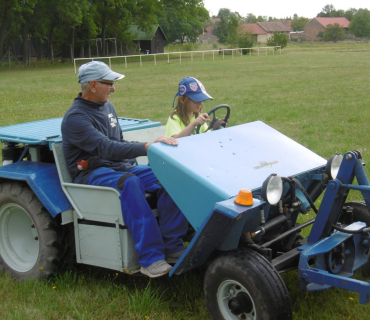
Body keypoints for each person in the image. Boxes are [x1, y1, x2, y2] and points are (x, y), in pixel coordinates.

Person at [61, 61, 188, 278]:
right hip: (93, 173)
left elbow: (117, 141)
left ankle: (173, 245)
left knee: (172, 175)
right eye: (108, 83)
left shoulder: (108, 107)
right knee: (130, 182)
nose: (113, 88)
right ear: (92, 85)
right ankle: (151, 259)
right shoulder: (75, 118)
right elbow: (106, 148)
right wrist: (146, 147)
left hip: (119, 167)